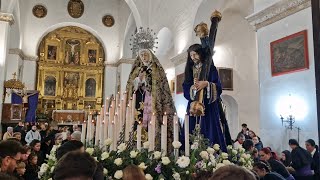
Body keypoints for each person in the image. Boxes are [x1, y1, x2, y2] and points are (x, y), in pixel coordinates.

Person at [182, 10, 227, 150]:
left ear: (200, 54)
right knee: (191, 132)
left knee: (209, 130)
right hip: (193, 104)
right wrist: (193, 88)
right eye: (191, 56)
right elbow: (185, 86)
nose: (193, 58)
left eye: (195, 54)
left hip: (209, 106)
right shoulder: (190, 70)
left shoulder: (210, 69)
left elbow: (218, 87)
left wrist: (206, 84)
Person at [126, 48, 176, 149]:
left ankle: (155, 146)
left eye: (146, 55)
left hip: (153, 101)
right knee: (137, 123)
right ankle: (136, 147)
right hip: (139, 100)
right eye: (142, 55)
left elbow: (161, 86)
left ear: (150, 56)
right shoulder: (136, 70)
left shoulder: (157, 69)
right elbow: (130, 86)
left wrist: (147, 80)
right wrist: (138, 80)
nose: (144, 57)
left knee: (152, 123)